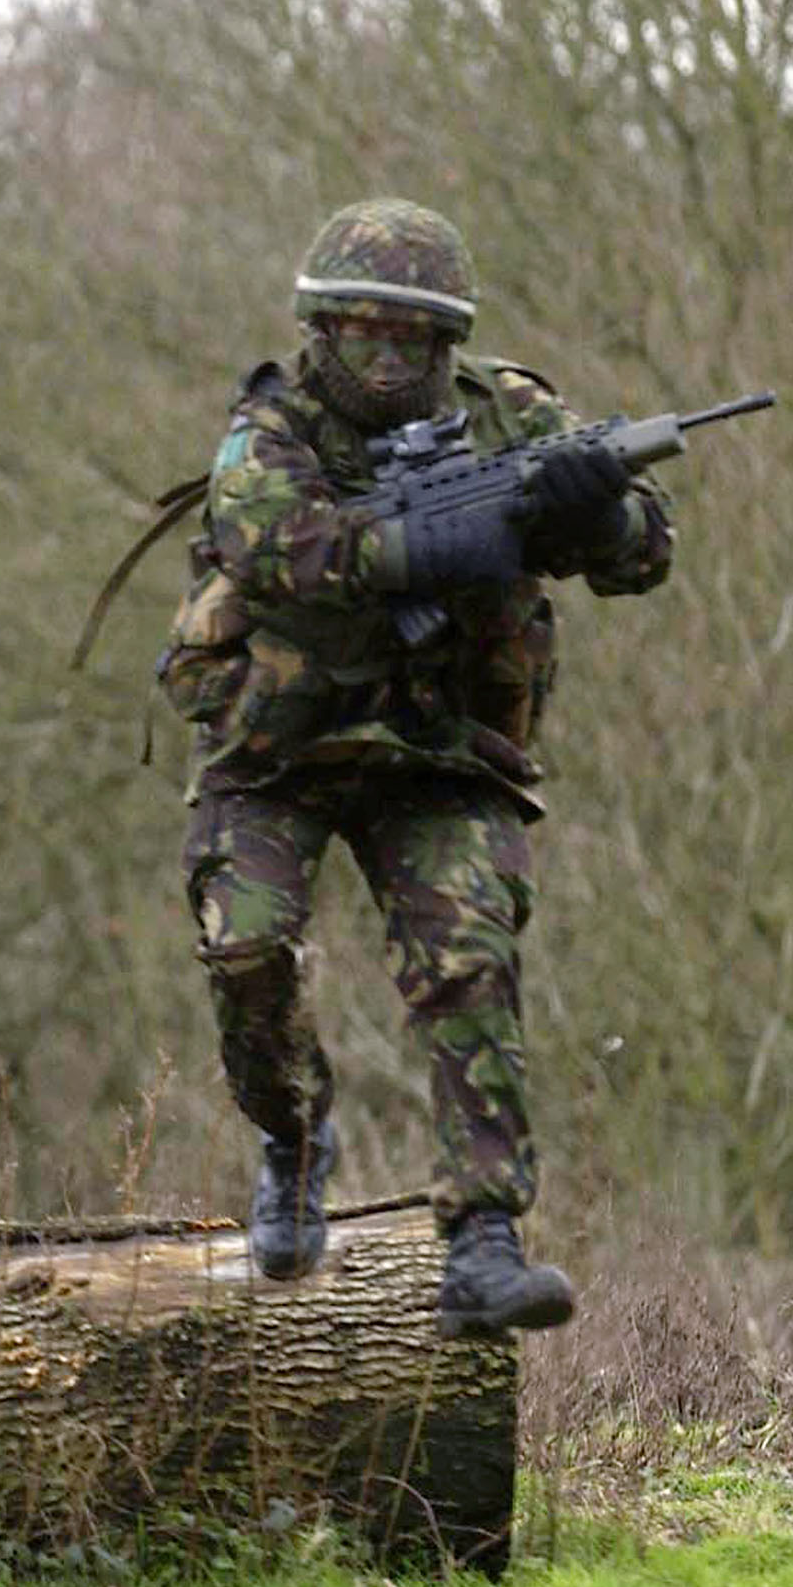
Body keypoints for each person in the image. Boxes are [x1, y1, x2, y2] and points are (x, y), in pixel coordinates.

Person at [156, 199, 672, 1338]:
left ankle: (483, 1239)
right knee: (243, 949)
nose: (388, 364)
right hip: (275, 752)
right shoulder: (269, 428)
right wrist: (432, 543)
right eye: (363, 339)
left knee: (470, 955)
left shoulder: (511, 414)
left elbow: (647, 549)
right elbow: (274, 545)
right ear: (322, 334)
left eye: (413, 343)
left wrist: (591, 516)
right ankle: (294, 1138)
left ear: (447, 348)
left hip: (439, 752)